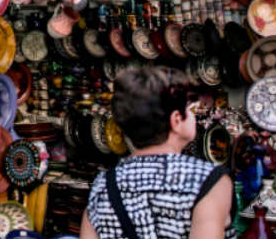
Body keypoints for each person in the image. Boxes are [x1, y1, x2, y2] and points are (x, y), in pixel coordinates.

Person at [81, 67, 232, 239]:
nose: (194, 116)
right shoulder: (209, 181)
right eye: (189, 110)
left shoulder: (103, 185)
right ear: (176, 120)